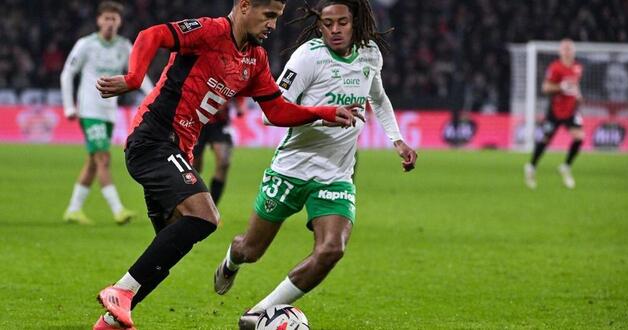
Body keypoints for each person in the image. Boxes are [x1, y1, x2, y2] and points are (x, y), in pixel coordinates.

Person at [91, 0, 362, 328]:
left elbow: (276, 111)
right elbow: (152, 35)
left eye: (277, 17)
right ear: (245, 7)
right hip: (154, 139)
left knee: (168, 249)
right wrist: (135, 77)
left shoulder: (255, 59)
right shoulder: (209, 31)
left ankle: (110, 322)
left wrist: (324, 113)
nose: (273, 25)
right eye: (269, 16)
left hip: (180, 151)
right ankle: (121, 291)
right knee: (205, 216)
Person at [211, 1, 418, 328]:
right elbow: (270, 113)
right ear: (319, 25)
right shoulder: (308, 57)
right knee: (250, 249)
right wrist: (324, 116)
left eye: (342, 22)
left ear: (356, 22)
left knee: (331, 249)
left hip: (336, 175)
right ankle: (230, 262)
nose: (335, 30)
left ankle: (257, 314)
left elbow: (376, 96)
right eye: (327, 23)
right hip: (291, 169)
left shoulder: (370, 55)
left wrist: (397, 139)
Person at [61, 1, 153, 225]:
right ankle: (118, 210)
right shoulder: (86, 44)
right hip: (89, 109)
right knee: (103, 157)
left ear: (119, 22)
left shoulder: (124, 46)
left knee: (93, 161)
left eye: (114, 18)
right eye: (106, 18)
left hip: (109, 112)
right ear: (98, 20)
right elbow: (67, 73)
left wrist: (152, 95)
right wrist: (69, 106)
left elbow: (138, 73)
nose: (110, 22)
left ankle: (73, 210)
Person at [524, 39, 584, 189]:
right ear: (560, 52)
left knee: (579, 137)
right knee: (545, 140)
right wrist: (560, 86)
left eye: (570, 49)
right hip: (555, 110)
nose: (567, 51)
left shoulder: (578, 67)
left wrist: (578, 96)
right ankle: (531, 166)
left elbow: (575, 85)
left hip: (571, 110)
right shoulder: (555, 68)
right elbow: (545, 88)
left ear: (573, 51)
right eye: (565, 49)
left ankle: (566, 166)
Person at [192, 97, 248, 205]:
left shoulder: (233, 79)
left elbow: (240, 93)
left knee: (223, 163)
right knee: (194, 168)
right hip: (198, 122)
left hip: (220, 124)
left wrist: (240, 106)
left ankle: (212, 208)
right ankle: (194, 205)